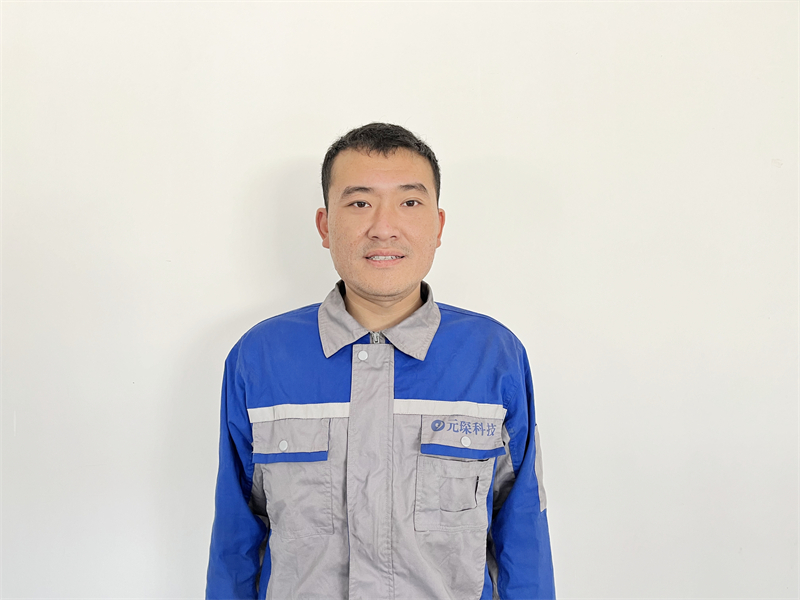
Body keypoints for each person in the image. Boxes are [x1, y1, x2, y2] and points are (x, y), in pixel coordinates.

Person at [206, 123, 556, 600]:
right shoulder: (260, 358)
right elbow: (235, 541)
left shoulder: (493, 357)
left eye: (409, 202)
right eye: (359, 203)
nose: (384, 227)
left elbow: (523, 534)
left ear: (438, 225)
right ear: (325, 226)